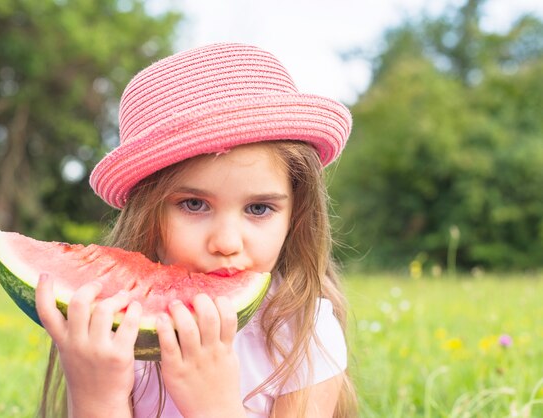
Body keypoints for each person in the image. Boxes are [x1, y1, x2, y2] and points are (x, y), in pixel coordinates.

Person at [35, 43, 356, 417]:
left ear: (296, 216)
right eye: (194, 204)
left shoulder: (304, 333)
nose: (226, 242)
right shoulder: (112, 325)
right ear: (147, 213)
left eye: (259, 208)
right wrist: (97, 396)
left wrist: (215, 407)